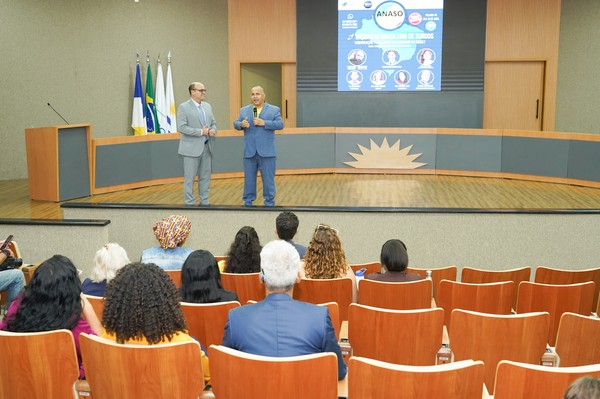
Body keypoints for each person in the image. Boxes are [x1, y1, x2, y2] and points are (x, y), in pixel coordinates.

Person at [222, 240, 347, 380]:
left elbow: (224, 373)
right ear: (298, 276)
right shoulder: (320, 317)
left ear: (261, 277)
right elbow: (339, 373)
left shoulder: (236, 318)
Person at [101, 262, 210, 383]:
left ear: (118, 302)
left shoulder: (105, 339)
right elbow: (210, 376)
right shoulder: (185, 345)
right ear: (165, 301)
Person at [1, 255, 102, 378]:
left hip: (18, 386)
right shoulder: (71, 322)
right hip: (62, 390)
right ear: (71, 289)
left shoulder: (17, 307)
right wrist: (86, 305)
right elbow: (98, 349)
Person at [233, 86, 284, 207]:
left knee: (268, 180)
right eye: (252, 94)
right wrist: (241, 124)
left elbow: (280, 124)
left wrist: (264, 123)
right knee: (249, 179)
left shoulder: (273, 110)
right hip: (249, 151)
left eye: (257, 94)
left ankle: (269, 202)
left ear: (263, 95)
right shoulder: (244, 110)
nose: (255, 96)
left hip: (267, 152)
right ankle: (248, 201)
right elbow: (235, 123)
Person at [177, 82, 217, 206]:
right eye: (201, 90)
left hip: (206, 147)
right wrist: (201, 132)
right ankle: (189, 203)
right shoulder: (184, 107)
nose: (203, 92)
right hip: (190, 149)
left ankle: (204, 201)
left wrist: (212, 130)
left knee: (205, 177)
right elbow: (182, 127)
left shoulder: (207, 106)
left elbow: (213, 123)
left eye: (204, 90)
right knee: (189, 179)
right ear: (192, 92)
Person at [301, 224, 357, 303]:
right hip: (338, 315)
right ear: (336, 249)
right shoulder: (347, 274)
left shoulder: (300, 271)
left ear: (312, 248)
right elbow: (353, 303)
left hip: (308, 314)